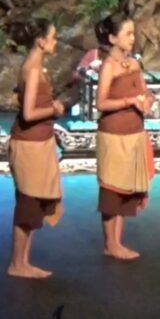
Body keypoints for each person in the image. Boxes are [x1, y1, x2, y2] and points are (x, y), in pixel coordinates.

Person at [6, 19, 65, 278]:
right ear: (41, 41)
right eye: (52, 37)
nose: (55, 42)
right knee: (28, 203)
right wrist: (53, 109)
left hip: (39, 143)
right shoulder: (32, 69)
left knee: (33, 203)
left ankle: (23, 262)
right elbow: (29, 113)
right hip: (29, 145)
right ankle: (17, 264)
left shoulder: (36, 67)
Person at [94, 14, 155, 259]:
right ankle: (110, 243)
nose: (133, 38)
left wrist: (147, 100)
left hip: (133, 133)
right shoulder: (108, 66)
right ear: (112, 38)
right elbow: (101, 103)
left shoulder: (134, 64)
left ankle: (117, 242)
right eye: (127, 34)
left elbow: (145, 91)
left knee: (126, 190)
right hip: (114, 135)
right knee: (113, 190)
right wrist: (129, 101)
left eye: (133, 33)